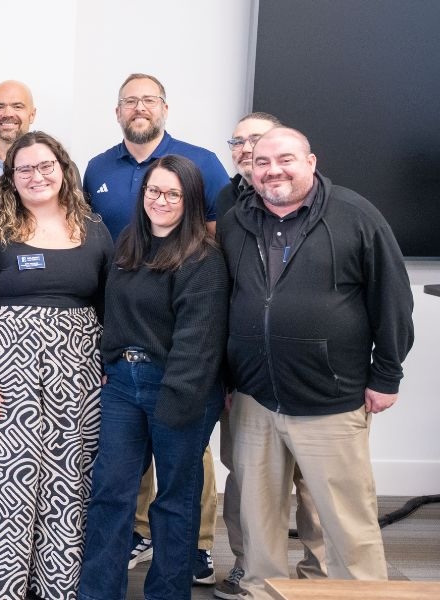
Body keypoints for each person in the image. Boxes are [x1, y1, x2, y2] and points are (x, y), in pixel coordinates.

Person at [219, 128, 413, 600]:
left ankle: (360, 593)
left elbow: (393, 301)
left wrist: (387, 374)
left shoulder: (355, 215)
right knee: (257, 515)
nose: (273, 171)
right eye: (262, 162)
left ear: (310, 161)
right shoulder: (235, 220)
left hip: (330, 396)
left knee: (346, 517)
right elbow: (225, 301)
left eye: (285, 159)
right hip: (252, 396)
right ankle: (261, 590)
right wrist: (224, 377)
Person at [0, 131, 112, 599]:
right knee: (0, 478)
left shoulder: (93, 227)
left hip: (76, 372)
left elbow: (108, 300)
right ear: (11, 178)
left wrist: (105, 358)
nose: (37, 176)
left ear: (63, 169)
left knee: (69, 477)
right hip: (0, 371)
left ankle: (56, 584)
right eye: (25, 169)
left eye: (46, 167)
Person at [84, 73, 229, 578]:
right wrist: (108, 361)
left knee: (175, 501)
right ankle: (97, 592)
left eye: (172, 194)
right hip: (125, 384)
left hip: (179, 387)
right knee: (110, 495)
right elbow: (113, 309)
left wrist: (175, 399)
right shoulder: (127, 247)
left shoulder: (203, 257)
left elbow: (198, 338)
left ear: (191, 197)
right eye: (153, 191)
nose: (160, 200)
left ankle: (168, 591)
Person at [210, 112, 326, 600]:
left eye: (256, 141)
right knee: (249, 480)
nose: (246, 151)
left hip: (319, 381)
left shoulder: (328, 208)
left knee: (317, 486)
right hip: (250, 377)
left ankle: (322, 577)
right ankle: (248, 566)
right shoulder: (226, 205)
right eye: (240, 143)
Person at [84, 73, 230, 238]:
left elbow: (223, 238)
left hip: (182, 264)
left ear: (165, 110)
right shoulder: (97, 168)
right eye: (130, 101)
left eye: (149, 100)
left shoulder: (204, 163)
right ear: (118, 113)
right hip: (114, 265)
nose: (139, 108)